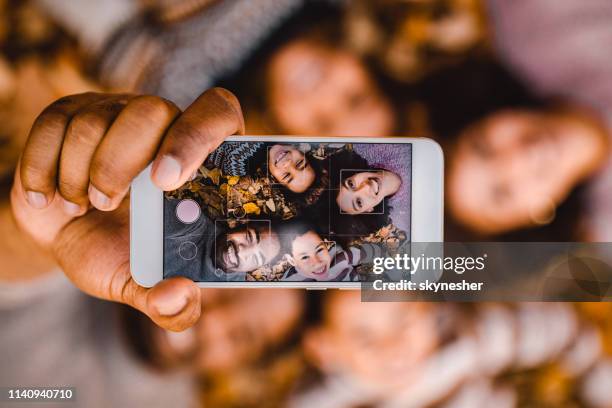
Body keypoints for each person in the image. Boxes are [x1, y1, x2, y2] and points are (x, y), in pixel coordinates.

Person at [279, 218, 385, 281]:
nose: (317, 263)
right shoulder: (290, 281)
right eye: (305, 257)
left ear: (326, 244)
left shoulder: (338, 254)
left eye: (319, 250)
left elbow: (372, 253)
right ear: (292, 261)